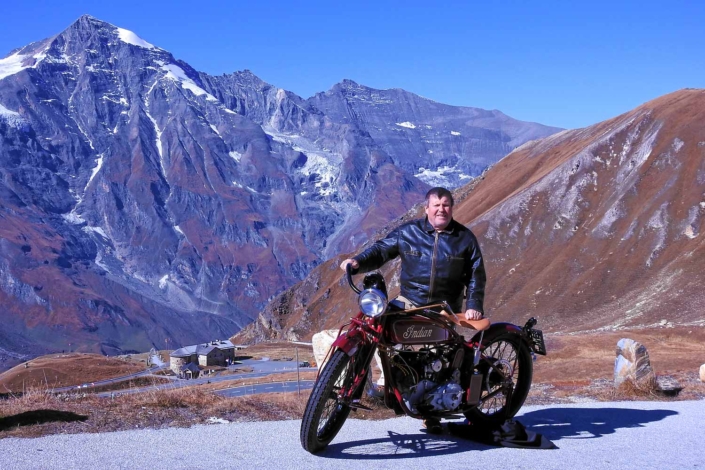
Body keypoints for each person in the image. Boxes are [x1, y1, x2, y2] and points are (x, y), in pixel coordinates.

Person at [340, 186, 487, 434]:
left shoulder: (465, 238)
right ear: (426, 208)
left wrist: (473, 305)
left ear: (452, 207)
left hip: (444, 308)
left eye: (446, 204)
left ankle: (432, 412)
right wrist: (358, 262)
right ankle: (375, 388)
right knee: (375, 328)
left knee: (437, 359)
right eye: (436, 205)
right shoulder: (409, 232)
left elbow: (476, 275)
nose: (441, 209)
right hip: (409, 301)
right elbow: (381, 249)